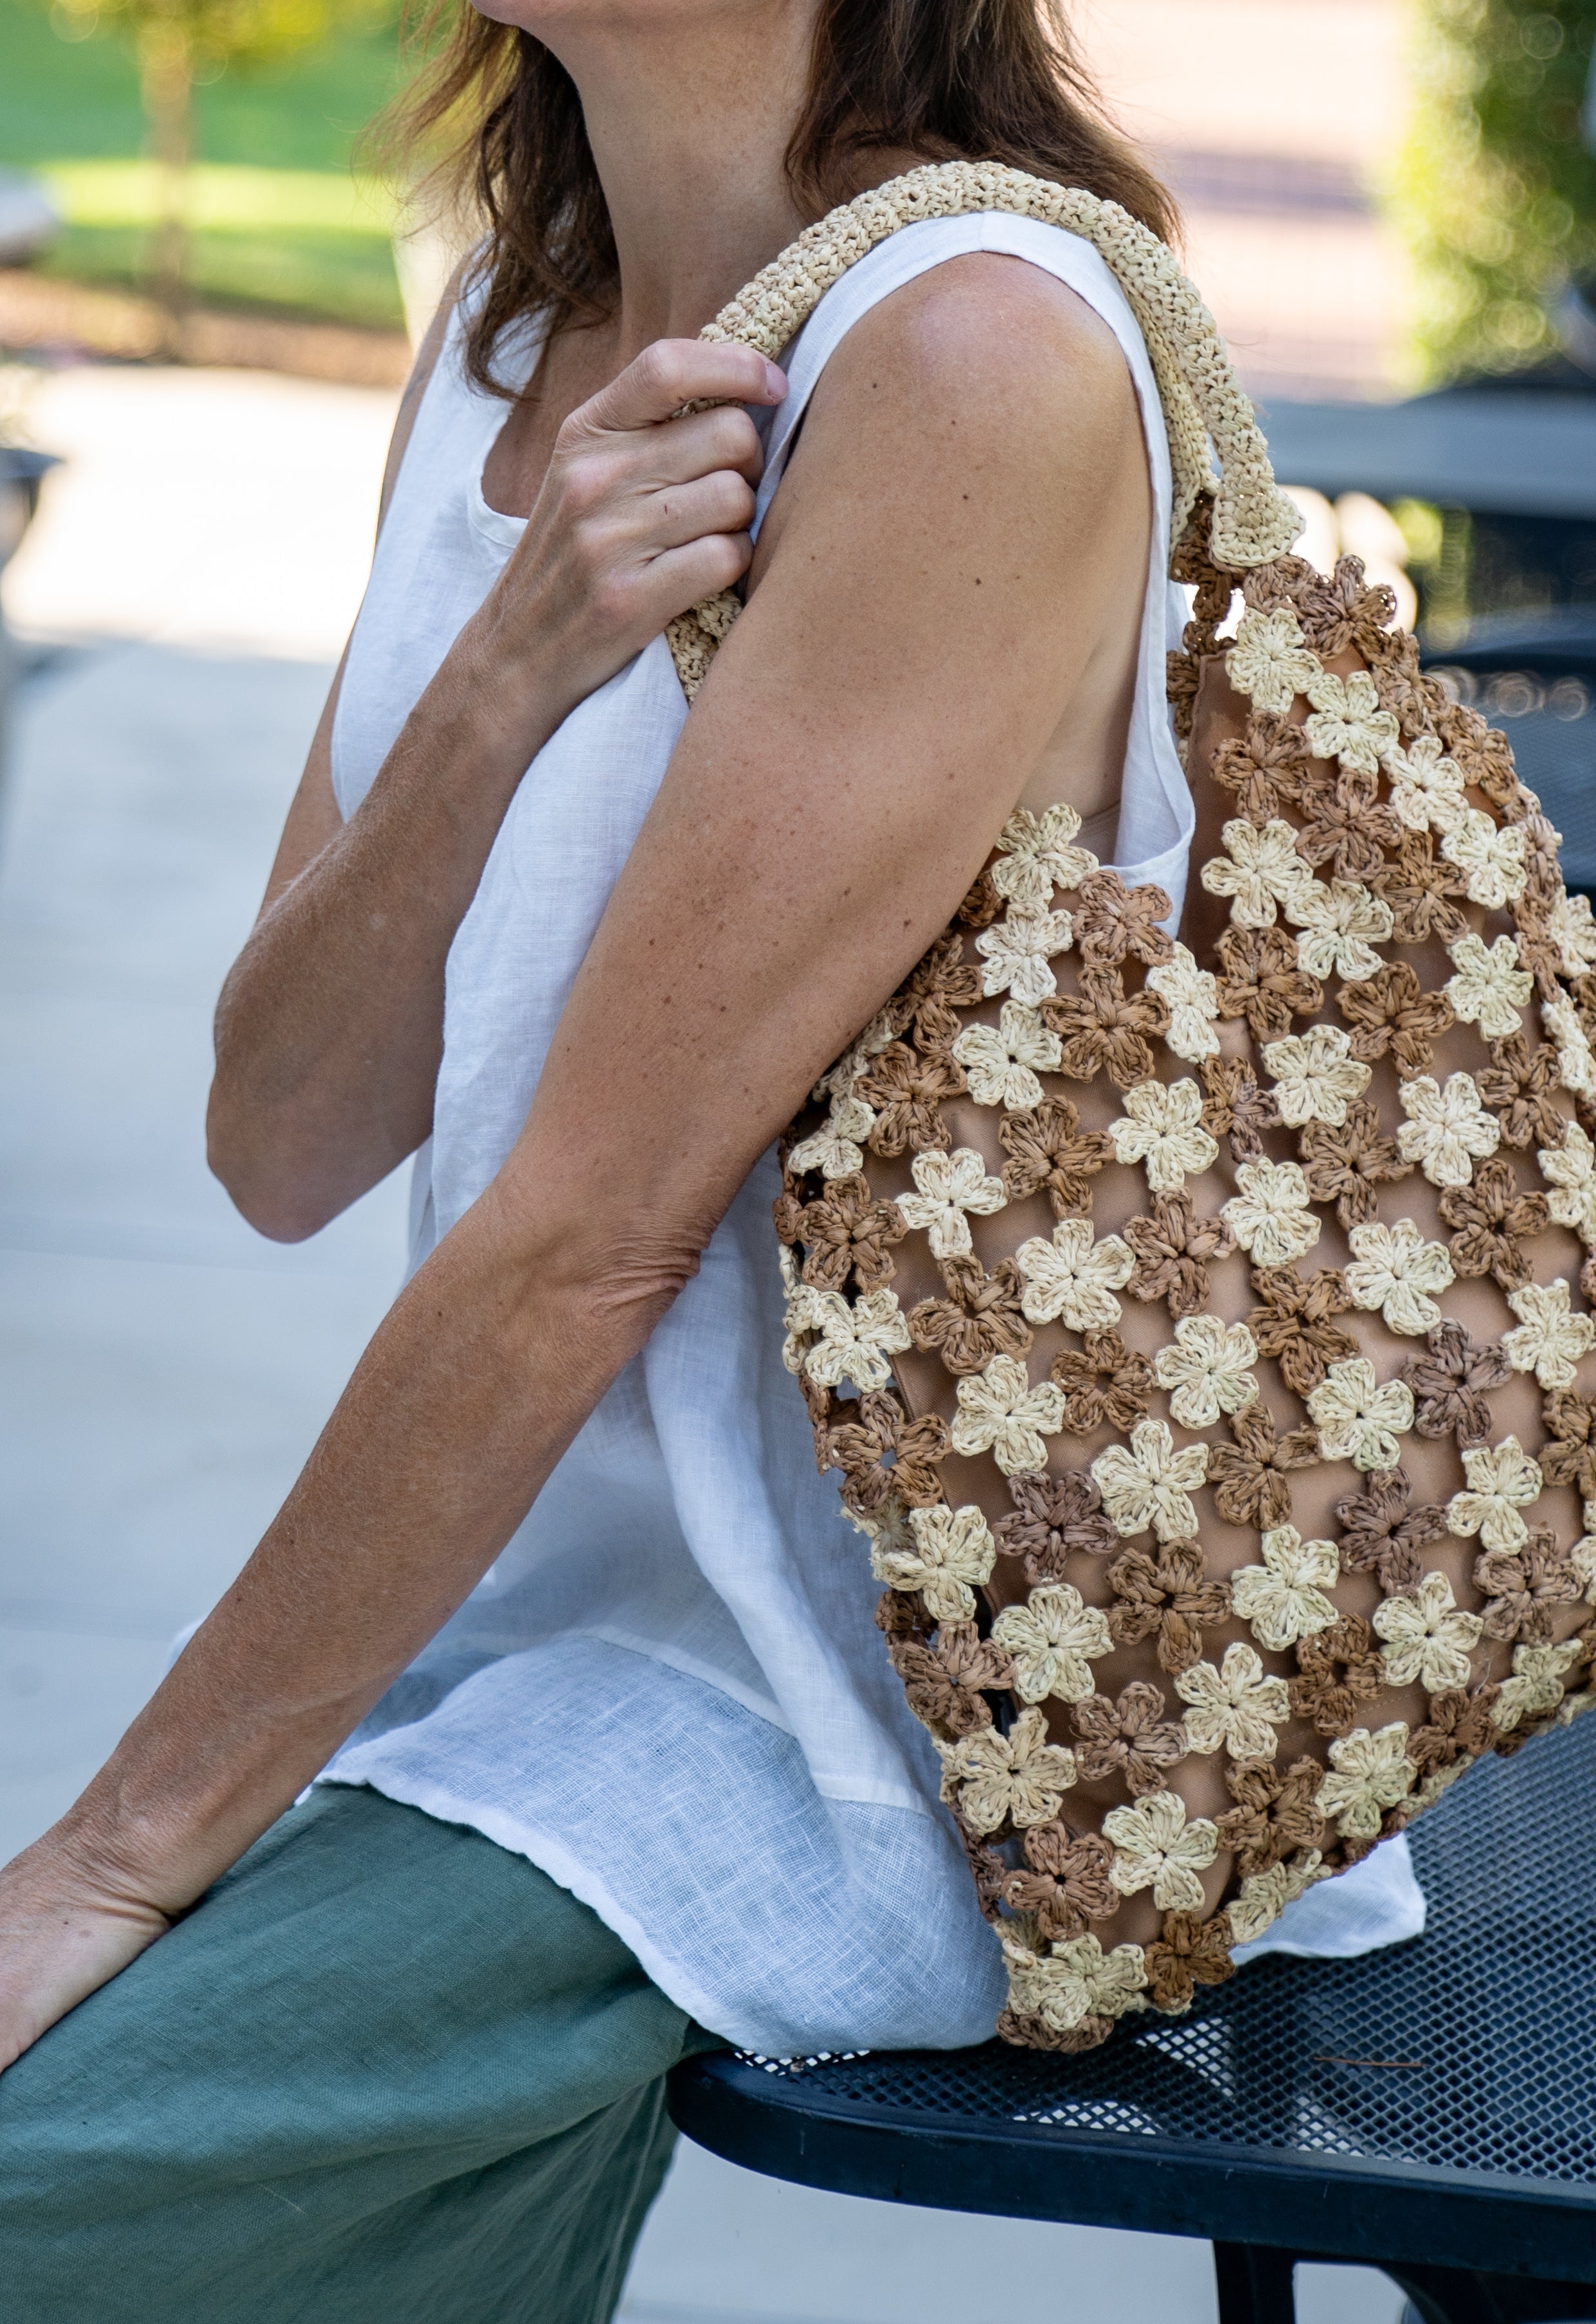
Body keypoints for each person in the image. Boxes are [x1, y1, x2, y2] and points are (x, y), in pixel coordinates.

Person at [0, 1, 1419, 2311]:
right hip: (523, 1620)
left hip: (890, 1693)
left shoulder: (976, 356)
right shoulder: (505, 329)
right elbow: (281, 1131)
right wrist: (508, 671)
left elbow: (592, 1247)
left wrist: (106, 1859)